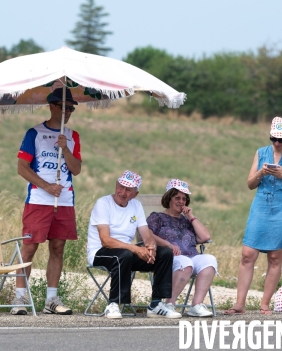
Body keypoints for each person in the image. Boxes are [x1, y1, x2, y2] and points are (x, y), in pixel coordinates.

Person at [11, 86, 82, 315]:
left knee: (58, 247)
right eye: (64, 107)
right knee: (30, 247)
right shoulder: (34, 133)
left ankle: (51, 299)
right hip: (39, 199)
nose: (68, 111)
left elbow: (76, 169)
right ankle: (20, 298)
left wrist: (66, 149)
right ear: (52, 107)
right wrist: (46, 186)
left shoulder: (72, 136)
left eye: (71, 108)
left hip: (65, 200)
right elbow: (22, 168)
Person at [224, 117, 282, 316]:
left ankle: (265, 303)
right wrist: (261, 172)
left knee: (275, 258)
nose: (277, 143)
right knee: (247, 255)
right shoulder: (261, 152)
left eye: (281, 139)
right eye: (273, 138)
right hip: (261, 204)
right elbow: (250, 184)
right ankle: (239, 303)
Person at [86, 170, 182, 319]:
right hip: (100, 252)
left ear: (135, 194)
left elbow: (146, 234)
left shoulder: (136, 206)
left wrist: (151, 248)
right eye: (121, 187)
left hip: (127, 253)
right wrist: (136, 249)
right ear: (116, 185)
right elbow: (106, 240)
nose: (123, 192)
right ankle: (113, 304)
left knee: (165, 254)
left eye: (128, 190)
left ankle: (156, 304)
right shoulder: (103, 203)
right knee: (123, 255)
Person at [146, 179, 217, 317]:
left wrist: (190, 216)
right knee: (186, 263)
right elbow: (147, 234)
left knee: (210, 260)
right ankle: (169, 304)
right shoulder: (157, 217)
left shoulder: (187, 221)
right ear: (168, 198)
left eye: (184, 199)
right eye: (177, 198)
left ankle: (196, 306)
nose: (181, 201)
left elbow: (205, 237)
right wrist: (167, 244)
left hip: (191, 255)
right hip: (167, 257)